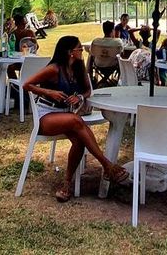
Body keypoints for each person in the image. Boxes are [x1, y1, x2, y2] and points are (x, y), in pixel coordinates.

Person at [23, 36, 128, 202]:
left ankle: (66, 184)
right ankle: (107, 165)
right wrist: (49, 92)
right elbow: (27, 84)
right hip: (46, 115)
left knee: (79, 140)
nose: (81, 51)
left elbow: (88, 91)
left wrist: (79, 97)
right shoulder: (54, 69)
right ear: (70, 52)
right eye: (79, 48)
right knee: (76, 121)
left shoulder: (78, 67)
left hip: (65, 114)